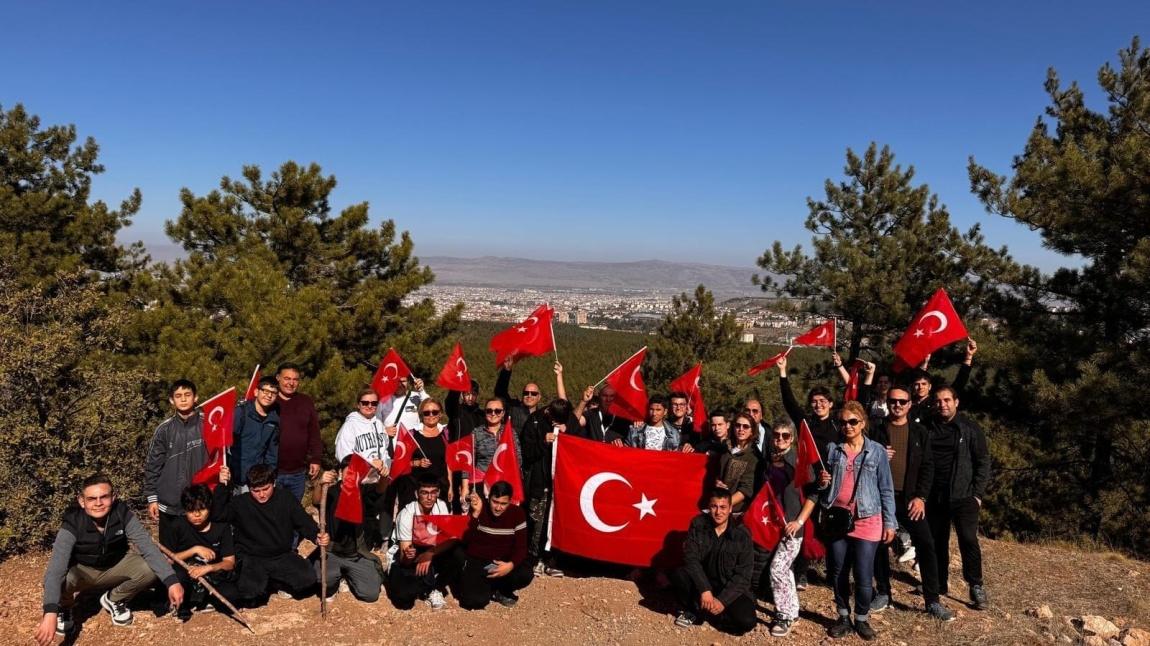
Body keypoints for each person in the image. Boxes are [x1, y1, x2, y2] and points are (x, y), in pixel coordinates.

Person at [37, 475, 183, 645]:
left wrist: (172, 581)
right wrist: (50, 612)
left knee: (150, 567)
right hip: (82, 571)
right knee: (60, 579)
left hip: (116, 565)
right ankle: (65, 607)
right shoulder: (72, 522)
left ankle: (114, 599)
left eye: (104, 497)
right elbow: (56, 568)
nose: (98, 503)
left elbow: (147, 546)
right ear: (82, 501)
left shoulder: (122, 513)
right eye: (91, 498)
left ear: (113, 497)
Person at [798, 400, 896, 641]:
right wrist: (822, 481)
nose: (848, 426)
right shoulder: (833, 449)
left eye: (853, 422)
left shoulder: (877, 451)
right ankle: (843, 616)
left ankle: (861, 619)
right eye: (843, 422)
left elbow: (886, 488)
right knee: (839, 572)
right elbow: (824, 485)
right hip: (837, 520)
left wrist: (890, 522)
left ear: (863, 423)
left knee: (863, 574)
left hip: (868, 519)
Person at [868, 386, 953, 620]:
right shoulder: (876, 430)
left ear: (909, 404)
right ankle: (884, 593)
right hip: (882, 498)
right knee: (879, 545)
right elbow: (863, 461)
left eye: (902, 402)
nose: (897, 405)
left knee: (926, 544)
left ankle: (932, 600)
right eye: (893, 401)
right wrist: (877, 456)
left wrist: (921, 497)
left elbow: (928, 467)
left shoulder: (919, 432)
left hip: (910, 499)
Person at [213, 463, 328, 605]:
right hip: (253, 558)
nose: (261, 494)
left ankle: (274, 581)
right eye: (256, 491)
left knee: (308, 579)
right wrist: (222, 487)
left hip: (282, 555)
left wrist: (317, 535)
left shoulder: (286, 498)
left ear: (273, 483)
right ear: (249, 489)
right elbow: (218, 515)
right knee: (250, 593)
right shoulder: (241, 503)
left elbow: (303, 522)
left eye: (265, 489)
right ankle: (263, 582)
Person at [927, 386, 991, 611]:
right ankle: (939, 584)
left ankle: (976, 585)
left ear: (956, 402)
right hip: (935, 496)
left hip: (964, 496)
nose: (942, 404)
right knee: (937, 541)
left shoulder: (970, 429)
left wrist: (977, 495)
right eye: (938, 401)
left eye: (947, 400)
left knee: (968, 539)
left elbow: (983, 462)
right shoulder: (929, 427)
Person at [669, 488, 756, 636]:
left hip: (727, 585)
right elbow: (691, 558)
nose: (718, 512)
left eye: (723, 507)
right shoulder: (698, 524)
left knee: (747, 621)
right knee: (678, 574)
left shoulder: (741, 535)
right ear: (709, 507)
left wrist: (723, 601)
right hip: (703, 583)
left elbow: (744, 575)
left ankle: (716, 614)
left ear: (730, 509)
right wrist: (704, 589)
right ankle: (694, 610)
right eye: (714, 506)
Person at [766, 418, 817, 637]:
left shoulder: (798, 460)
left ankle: (784, 615)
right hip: (773, 524)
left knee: (778, 569)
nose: (780, 439)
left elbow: (814, 493)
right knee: (784, 570)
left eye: (785, 436)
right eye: (776, 435)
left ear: (793, 438)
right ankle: (792, 610)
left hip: (793, 526)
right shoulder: (770, 459)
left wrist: (800, 521)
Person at [144, 378, 206, 548]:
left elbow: (220, 457)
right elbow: (153, 465)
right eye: (178, 396)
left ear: (196, 397)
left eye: (188, 395)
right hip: (169, 504)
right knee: (171, 555)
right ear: (172, 400)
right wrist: (152, 498)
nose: (183, 399)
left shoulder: (208, 424)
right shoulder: (164, 429)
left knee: (200, 554)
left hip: (199, 503)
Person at [163, 484, 238, 621]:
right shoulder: (177, 526)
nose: (197, 515)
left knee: (231, 594)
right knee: (178, 575)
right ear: (185, 510)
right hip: (185, 574)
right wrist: (194, 550)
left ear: (209, 508)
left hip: (210, 575)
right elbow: (168, 559)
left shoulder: (221, 527)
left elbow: (229, 562)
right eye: (191, 511)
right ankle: (182, 605)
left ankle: (204, 599)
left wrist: (209, 568)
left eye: (202, 509)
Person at [315, 458, 385, 604]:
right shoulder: (331, 491)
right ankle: (337, 578)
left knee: (371, 594)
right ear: (341, 473)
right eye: (349, 472)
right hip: (332, 552)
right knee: (321, 580)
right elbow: (316, 501)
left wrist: (383, 475)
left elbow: (380, 489)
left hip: (356, 554)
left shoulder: (363, 491)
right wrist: (319, 483)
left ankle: (349, 576)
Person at [521, 398, 578, 576]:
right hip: (539, 481)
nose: (556, 423)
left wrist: (567, 432)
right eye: (554, 420)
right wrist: (543, 442)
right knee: (537, 521)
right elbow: (526, 452)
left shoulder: (567, 421)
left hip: (561, 483)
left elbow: (581, 442)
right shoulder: (534, 421)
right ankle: (534, 558)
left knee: (556, 522)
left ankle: (552, 559)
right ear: (548, 412)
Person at [453, 482, 533, 609]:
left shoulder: (517, 513)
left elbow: (521, 548)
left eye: (503, 504)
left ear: (510, 501)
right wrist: (475, 514)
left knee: (525, 573)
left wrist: (510, 565)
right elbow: (465, 540)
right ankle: (484, 587)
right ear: (489, 498)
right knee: (473, 602)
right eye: (495, 502)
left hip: (503, 562)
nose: (498, 508)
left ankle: (501, 590)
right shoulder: (480, 509)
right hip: (480, 561)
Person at [388, 473, 458, 610]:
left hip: (431, 550)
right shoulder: (407, 514)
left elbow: (451, 539)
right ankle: (421, 583)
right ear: (416, 494)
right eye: (424, 493)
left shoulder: (441, 506)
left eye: (433, 493)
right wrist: (409, 555)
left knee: (458, 554)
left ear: (438, 493)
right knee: (404, 600)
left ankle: (434, 587)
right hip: (410, 553)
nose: (429, 497)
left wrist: (430, 553)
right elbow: (404, 557)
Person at [334, 387, 392, 549]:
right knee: (353, 521)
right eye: (365, 402)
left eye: (374, 403)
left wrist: (385, 469)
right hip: (357, 482)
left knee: (370, 517)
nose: (369, 406)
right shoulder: (350, 426)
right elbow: (343, 456)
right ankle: (350, 552)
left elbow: (385, 451)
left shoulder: (379, 425)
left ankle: (366, 550)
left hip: (376, 481)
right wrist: (368, 462)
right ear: (358, 404)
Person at [274, 363, 323, 501]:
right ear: (278, 378)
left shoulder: (305, 402)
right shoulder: (270, 401)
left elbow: (314, 433)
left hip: (298, 473)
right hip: (274, 472)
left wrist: (316, 459)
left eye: (295, 379)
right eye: (287, 378)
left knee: (293, 513)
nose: (291, 383)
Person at [460, 398, 522, 500]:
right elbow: (467, 462)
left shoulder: (510, 432)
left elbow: (518, 459)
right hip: (481, 484)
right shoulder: (476, 433)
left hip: (505, 483)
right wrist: (465, 487)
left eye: (497, 411)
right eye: (489, 411)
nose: (493, 414)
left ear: (503, 413)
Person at [908, 338, 977, 425]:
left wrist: (968, 357)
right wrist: (925, 362)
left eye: (924, 384)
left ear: (930, 386)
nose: (920, 387)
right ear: (913, 386)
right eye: (917, 384)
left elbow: (959, 383)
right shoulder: (907, 403)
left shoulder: (935, 402)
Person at [230, 376, 280, 491]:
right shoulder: (241, 413)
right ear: (256, 392)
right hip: (236, 476)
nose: (269, 395)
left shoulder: (274, 419)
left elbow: (272, 452)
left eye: (273, 393)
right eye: (265, 391)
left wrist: (269, 475)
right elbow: (226, 443)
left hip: (256, 479)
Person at [715, 413, 759, 514]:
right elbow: (719, 472)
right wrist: (717, 481)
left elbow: (746, 490)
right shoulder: (726, 448)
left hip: (737, 512)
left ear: (752, 431)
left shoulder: (753, 457)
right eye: (738, 425)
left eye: (746, 426)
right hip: (719, 505)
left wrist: (724, 506)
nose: (741, 429)